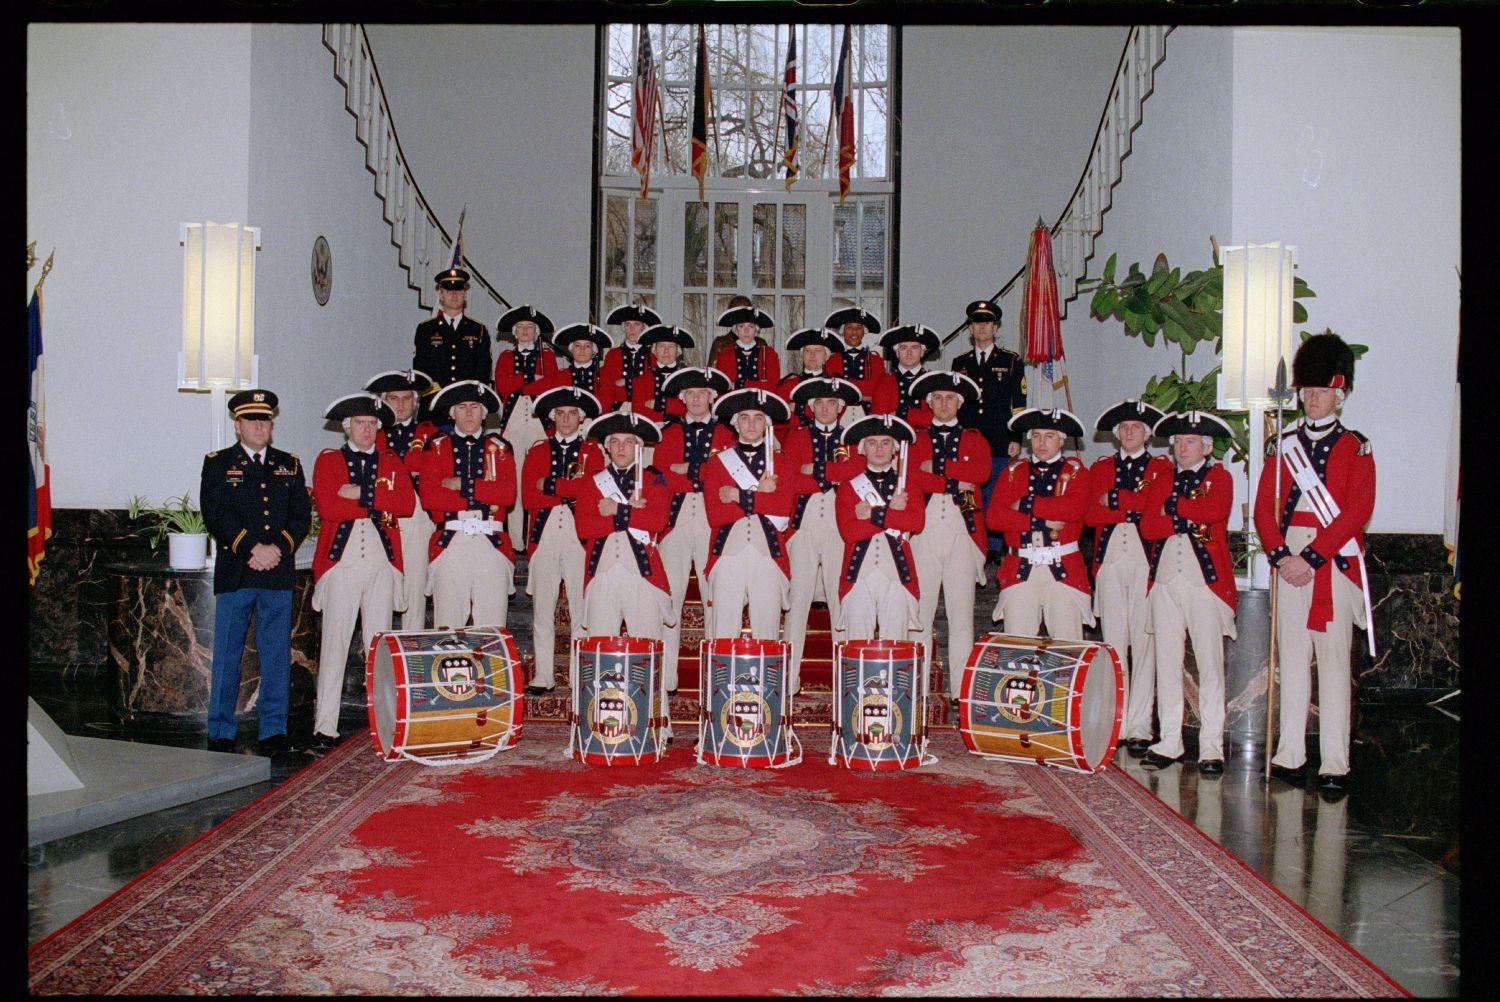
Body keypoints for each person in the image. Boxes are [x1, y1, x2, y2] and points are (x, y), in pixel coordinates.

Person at [1254, 333, 1375, 794]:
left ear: (1339, 394)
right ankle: (1290, 752)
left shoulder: (1356, 447)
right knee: (1292, 656)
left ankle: (1335, 761)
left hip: (1333, 560)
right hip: (1289, 559)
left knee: (1332, 662)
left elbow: (1357, 510)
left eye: (1321, 391)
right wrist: (1283, 556)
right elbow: (1265, 509)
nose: (1312, 399)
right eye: (1307, 391)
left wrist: (1311, 556)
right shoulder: (1281, 445)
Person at [199, 389, 311, 755]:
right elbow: (215, 514)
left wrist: (276, 548)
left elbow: (300, 517)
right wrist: (253, 548)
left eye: (265, 419)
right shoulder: (217, 463)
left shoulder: (289, 464)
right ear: (238, 425)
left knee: (276, 652)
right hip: (238, 571)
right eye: (252, 419)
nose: (260, 426)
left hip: (276, 572)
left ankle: (273, 730)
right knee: (228, 652)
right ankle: (220, 729)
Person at [309, 393, 415, 752]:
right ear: (346, 427)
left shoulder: (391, 460)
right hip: (342, 564)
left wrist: (359, 493)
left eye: (372, 424)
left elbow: (405, 504)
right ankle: (325, 724)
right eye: (360, 423)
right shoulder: (329, 460)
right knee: (334, 645)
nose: (367, 430)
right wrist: (376, 502)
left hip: (382, 565)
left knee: (380, 647)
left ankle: (383, 724)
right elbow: (328, 507)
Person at [1138, 410, 1238, 775]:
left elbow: (1215, 510)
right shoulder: (1162, 480)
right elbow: (1149, 527)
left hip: (1205, 585)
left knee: (1210, 665)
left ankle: (1211, 746)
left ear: (1206, 446)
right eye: (1178, 442)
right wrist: (1186, 517)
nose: (1182, 447)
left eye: (1190, 441)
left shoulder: (1220, 477)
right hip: (1165, 583)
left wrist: (1176, 511)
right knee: (1166, 661)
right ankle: (1169, 740)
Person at [1085, 399, 1172, 752]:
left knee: (1144, 639)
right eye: (1123, 428)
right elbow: (1091, 516)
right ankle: (1114, 721)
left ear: (1147, 433)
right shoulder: (1101, 467)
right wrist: (1129, 503)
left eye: (1135, 427)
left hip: (1145, 561)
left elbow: (1155, 507)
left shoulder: (1162, 468)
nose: (1129, 432)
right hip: (1109, 559)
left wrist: (1116, 500)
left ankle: (1139, 722)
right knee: (1114, 641)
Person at [906, 372, 991, 697]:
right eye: (938, 398)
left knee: (961, 615)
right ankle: (916, 689)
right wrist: (955, 479)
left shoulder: (974, 438)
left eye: (950, 399)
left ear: (959, 403)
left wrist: (938, 468)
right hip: (923, 532)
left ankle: (961, 691)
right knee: (920, 614)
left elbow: (980, 472)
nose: (944, 404)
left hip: (962, 532)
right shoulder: (916, 440)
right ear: (929, 403)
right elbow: (913, 475)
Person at [653, 367, 736, 692]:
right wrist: (702, 473)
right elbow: (661, 476)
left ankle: (713, 676)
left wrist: (686, 469)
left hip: (711, 518)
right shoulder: (669, 433)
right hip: (674, 520)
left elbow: (725, 475)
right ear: (683, 399)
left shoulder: (728, 434)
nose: (697, 399)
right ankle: (667, 676)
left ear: (713, 398)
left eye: (703, 393)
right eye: (691, 394)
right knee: (670, 597)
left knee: (713, 594)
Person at [519, 386, 605, 695]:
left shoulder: (593, 452)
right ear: (553, 417)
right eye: (560, 414)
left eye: (572, 414)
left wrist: (552, 484)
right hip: (544, 535)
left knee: (581, 609)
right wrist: (571, 487)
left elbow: (592, 491)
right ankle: (543, 675)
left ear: (581, 419)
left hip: (579, 537)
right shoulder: (538, 450)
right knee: (543, 608)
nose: (566, 419)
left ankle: (579, 674)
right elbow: (529, 497)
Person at [781, 376, 863, 691]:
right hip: (803, 524)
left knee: (839, 598)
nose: (825, 408)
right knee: (798, 599)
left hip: (839, 525)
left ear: (841, 408)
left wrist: (814, 471)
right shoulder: (797, 437)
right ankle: (789, 678)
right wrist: (832, 476)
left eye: (831, 403)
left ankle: (846, 679)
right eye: (819, 404)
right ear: (811, 408)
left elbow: (854, 471)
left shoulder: (852, 439)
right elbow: (791, 478)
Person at [986, 408, 1093, 640]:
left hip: (1063, 568)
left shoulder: (1077, 473)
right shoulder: (1014, 472)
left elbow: (1073, 509)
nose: (1041, 442)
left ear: (1062, 439)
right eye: (1036, 436)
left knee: (1067, 647)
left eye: (1049, 436)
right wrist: (1040, 519)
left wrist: (1023, 503)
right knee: (1017, 644)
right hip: (1021, 568)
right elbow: (994, 517)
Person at [418, 380, 517, 630]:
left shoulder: (501, 448)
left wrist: (461, 484)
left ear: (485, 413)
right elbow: (430, 497)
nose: (469, 412)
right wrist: (484, 493)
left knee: (492, 628)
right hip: (452, 541)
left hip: (491, 541)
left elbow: (507, 494)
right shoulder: (436, 447)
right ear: (452, 414)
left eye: (475, 406)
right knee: (448, 627)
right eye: (462, 407)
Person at [701, 388, 797, 640]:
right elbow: (716, 515)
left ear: (767, 424)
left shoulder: (783, 462)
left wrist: (737, 494)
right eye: (745, 417)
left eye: (758, 418)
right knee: (722, 631)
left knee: (766, 632)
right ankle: (719, 680)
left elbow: (781, 507)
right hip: (726, 552)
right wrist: (760, 493)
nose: (751, 424)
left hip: (768, 553)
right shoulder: (718, 462)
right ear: (735, 423)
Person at [572, 411, 674, 641]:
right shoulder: (593, 481)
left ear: (638, 447)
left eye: (628, 442)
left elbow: (656, 521)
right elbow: (584, 528)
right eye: (615, 442)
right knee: (600, 645)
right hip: (602, 572)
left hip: (642, 574)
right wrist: (631, 512)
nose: (621, 448)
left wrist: (617, 509)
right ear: (607, 447)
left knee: (647, 644)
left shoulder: (653, 479)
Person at [951, 299, 1028, 565]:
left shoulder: (1010, 361)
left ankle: (994, 545)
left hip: (999, 437)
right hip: (969, 439)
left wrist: (1016, 437)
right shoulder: (959, 363)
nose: (982, 328)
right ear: (970, 329)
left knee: (995, 490)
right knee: (969, 489)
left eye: (987, 323)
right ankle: (972, 537)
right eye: (976, 323)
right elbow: (954, 402)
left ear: (995, 328)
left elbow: (1019, 404)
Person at [835, 414, 924, 643]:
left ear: (894, 449)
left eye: (885, 442)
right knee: (856, 646)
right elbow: (849, 532)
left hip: (897, 574)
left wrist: (875, 513)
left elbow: (915, 522)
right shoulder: (847, 487)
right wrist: (893, 514)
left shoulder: (909, 485)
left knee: (895, 646)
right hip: (858, 576)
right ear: (863, 449)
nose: (879, 449)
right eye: (872, 443)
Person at [367, 369, 439, 630]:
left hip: (417, 516)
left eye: (406, 398)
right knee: (381, 586)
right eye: (394, 398)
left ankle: (412, 651)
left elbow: (431, 469)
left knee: (415, 587)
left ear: (415, 402)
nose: (400, 404)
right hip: (380, 514)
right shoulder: (370, 433)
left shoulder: (430, 433)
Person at [493, 306, 558, 547]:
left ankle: (535, 537)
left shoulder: (548, 357)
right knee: (514, 478)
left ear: (536, 331)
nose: (525, 331)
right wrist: (531, 380)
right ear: (514, 332)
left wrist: (520, 384)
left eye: (529, 327)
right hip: (512, 422)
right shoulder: (506, 357)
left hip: (538, 423)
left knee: (537, 477)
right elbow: (502, 384)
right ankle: (515, 542)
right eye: (520, 327)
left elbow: (550, 385)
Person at [413, 266, 493, 390]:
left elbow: (483, 371)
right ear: (440, 295)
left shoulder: (478, 330)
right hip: (435, 400)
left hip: (467, 401)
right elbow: (421, 369)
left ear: (465, 295)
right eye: (449, 290)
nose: (454, 294)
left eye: (458, 290)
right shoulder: (426, 329)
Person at [778, 327, 846, 435]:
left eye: (817, 350)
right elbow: (780, 419)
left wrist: (798, 408)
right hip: (794, 440)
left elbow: (832, 416)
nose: (812, 355)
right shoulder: (788, 384)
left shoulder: (835, 386)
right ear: (802, 355)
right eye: (807, 350)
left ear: (826, 357)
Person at [871, 323, 940, 428]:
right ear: (897, 353)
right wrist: (920, 417)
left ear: (922, 352)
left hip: (926, 442)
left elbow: (937, 419)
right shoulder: (884, 382)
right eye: (903, 348)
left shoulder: (932, 382)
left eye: (914, 348)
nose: (909, 352)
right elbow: (879, 421)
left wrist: (902, 414)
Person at [538, 323, 617, 412]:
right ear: (571, 350)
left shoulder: (604, 375)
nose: (582, 350)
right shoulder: (561, 376)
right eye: (577, 345)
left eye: (587, 346)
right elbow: (557, 402)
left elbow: (607, 401)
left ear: (594, 351)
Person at [602, 303, 664, 411]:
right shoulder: (613, 355)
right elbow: (608, 386)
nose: (632, 329)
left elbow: (654, 384)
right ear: (623, 328)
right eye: (628, 324)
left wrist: (626, 382)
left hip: (646, 409)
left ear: (643, 327)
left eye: (636, 324)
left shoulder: (654, 354)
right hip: (618, 409)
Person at [632, 324, 695, 424]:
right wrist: (671, 411)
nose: (666, 351)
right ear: (654, 350)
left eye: (671, 346)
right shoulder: (642, 380)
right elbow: (638, 411)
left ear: (677, 351)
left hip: (681, 431)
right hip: (652, 432)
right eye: (661, 346)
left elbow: (692, 408)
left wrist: (659, 405)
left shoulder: (688, 379)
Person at [712, 304, 780, 394]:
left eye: (750, 326)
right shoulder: (726, 356)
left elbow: (772, 386)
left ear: (756, 329)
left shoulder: (769, 354)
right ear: (736, 329)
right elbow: (723, 388)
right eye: (741, 326)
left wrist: (739, 385)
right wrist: (757, 385)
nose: (746, 331)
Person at [824, 306, 884, 407]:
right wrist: (866, 392)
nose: (854, 331)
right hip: (839, 414)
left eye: (859, 327)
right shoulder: (832, 360)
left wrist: (846, 383)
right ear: (843, 331)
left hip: (867, 414)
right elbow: (833, 391)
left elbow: (878, 389)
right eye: (849, 327)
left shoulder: (875, 360)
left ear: (864, 332)